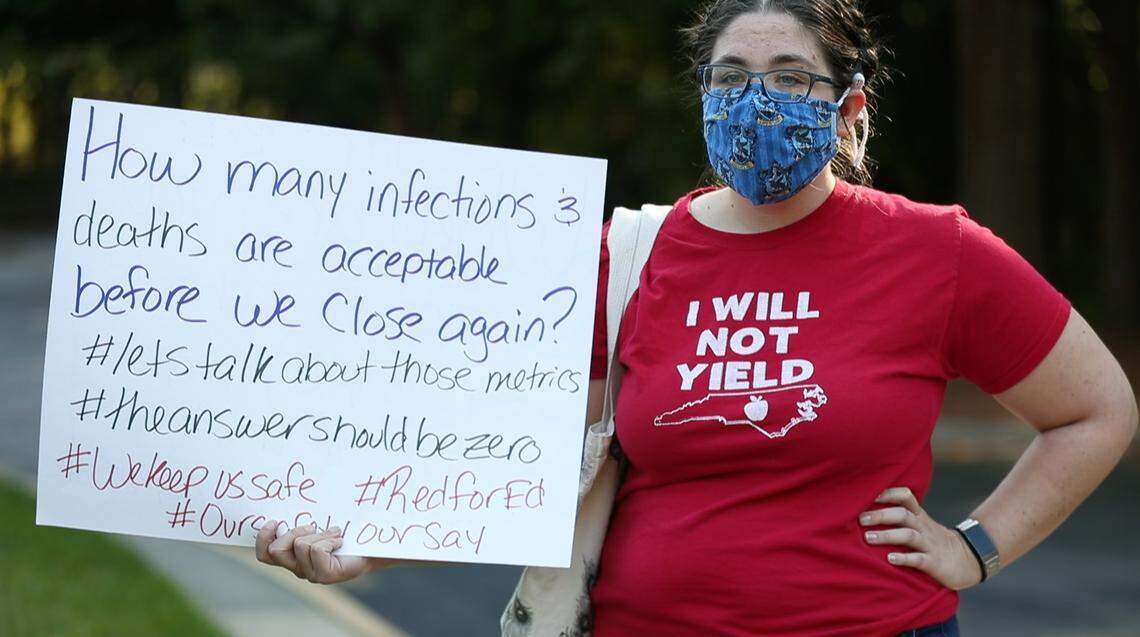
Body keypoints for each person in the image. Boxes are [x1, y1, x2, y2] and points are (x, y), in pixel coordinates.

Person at [254, 1, 1139, 635]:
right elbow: (514, 465)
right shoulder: (626, 258)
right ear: (704, 100)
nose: (758, 100)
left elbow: (1096, 410)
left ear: (849, 110)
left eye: (792, 77)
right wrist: (363, 550)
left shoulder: (935, 251)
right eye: (732, 77)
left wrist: (976, 546)